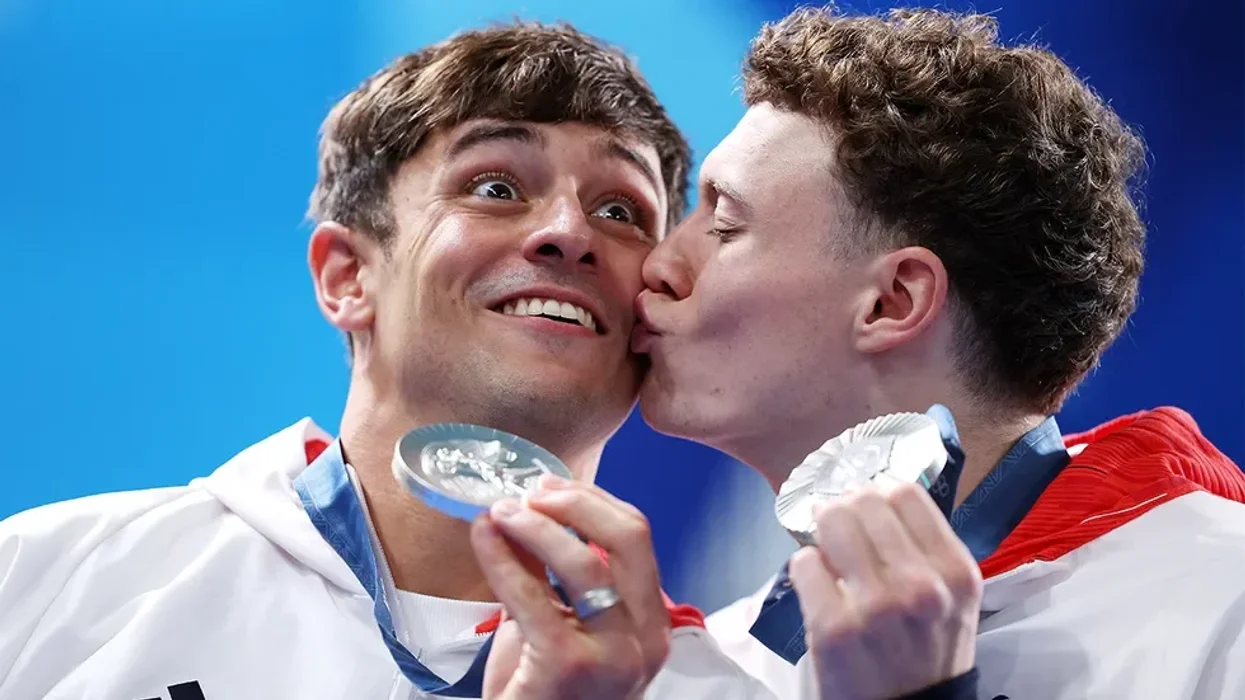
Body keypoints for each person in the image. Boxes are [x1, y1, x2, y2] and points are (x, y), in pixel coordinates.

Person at [0, 22, 779, 700]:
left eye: (620, 211)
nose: (569, 232)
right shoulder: (47, 581)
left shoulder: (715, 690)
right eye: (497, 186)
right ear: (348, 277)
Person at [632, 6, 1245, 700]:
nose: (657, 264)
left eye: (723, 223)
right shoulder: (730, 659)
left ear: (893, 301)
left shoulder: (1223, 603)